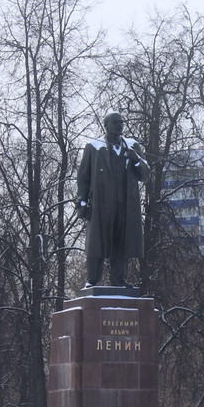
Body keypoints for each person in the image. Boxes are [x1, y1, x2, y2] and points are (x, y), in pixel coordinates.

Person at [76, 111, 149, 288]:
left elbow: (145, 175)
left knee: (122, 244)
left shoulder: (132, 147)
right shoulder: (94, 147)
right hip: (101, 206)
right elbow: (83, 178)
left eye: (121, 122)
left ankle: (119, 280)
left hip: (125, 206)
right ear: (106, 125)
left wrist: (136, 160)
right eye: (115, 122)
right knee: (96, 245)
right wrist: (82, 202)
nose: (119, 125)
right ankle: (92, 281)